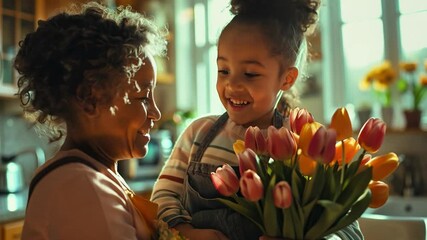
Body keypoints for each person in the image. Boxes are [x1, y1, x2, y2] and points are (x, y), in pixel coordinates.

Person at [150, 0, 365, 239]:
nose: (231, 84)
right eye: (223, 70)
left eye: (250, 74)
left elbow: (348, 231)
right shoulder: (198, 134)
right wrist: (185, 231)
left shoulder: (305, 144)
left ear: (286, 79)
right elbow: (163, 196)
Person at [15, 2, 167, 239]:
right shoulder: (79, 186)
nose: (155, 112)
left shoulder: (93, 175)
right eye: (142, 97)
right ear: (89, 99)